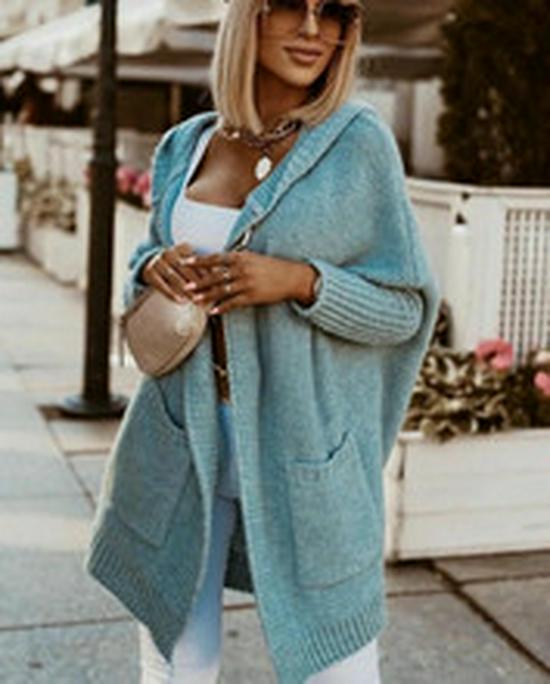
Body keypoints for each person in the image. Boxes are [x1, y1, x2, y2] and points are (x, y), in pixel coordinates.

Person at [85, 1, 441, 682]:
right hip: (178, 442)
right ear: (246, 14)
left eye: (332, 11)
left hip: (306, 450)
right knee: (174, 662)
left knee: (339, 667)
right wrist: (152, 267)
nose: (312, 28)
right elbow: (145, 262)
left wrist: (302, 281)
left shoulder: (358, 144)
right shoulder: (184, 145)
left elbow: (405, 310)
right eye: (288, 4)